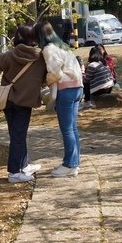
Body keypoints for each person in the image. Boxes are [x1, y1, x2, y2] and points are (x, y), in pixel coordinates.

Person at [0, 24, 48, 183]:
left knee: (16, 135)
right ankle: (14, 172)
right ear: (34, 38)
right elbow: (45, 78)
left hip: (8, 100)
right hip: (25, 102)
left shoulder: (8, 55)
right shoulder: (41, 57)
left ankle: (24, 165)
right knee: (19, 136)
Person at [39, 22, 84, 177]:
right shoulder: (63, 46)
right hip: (77, 88)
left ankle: (70, 165)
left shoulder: (48, 49)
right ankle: (74, 162)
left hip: (65, 90)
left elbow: (55, 73)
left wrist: (46, 80)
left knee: (67, 130)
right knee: (73, 128)